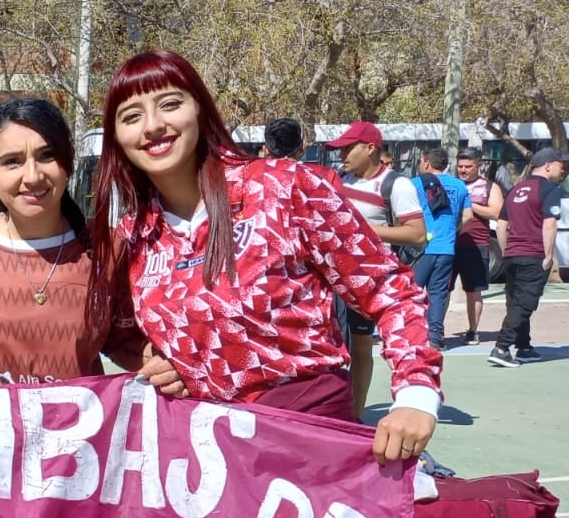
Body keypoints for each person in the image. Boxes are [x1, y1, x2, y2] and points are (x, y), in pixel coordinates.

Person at [87, 49, 441, 465]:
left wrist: (416, 394)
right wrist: (154, 359)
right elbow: (117, 333)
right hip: (204, 459)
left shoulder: (284, 188)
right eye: (131, 116)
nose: (153, 126)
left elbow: (389, 289)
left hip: (307, 443)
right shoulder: (132, 237)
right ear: (117, 138)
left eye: (169, 103)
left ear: (200, 110)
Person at [0, 97, 176, 391]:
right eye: (12, 161)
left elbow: (122, 341)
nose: (32, 176)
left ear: (69, 162)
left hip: (82, 431)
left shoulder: (107, 248)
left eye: (46, 156)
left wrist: (167, 364)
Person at [325, 121, 426, 420]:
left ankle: (355, 415)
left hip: (367, 281)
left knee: (359, 348)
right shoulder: (339, 181)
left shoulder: (397, 184)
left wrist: (363, 229)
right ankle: (330, 412)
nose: (341, 155)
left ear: (370, 149)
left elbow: (417, 234)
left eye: (347, 148)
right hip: (331, 277)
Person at [488, 147, 564, 368]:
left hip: (513, 254)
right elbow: (550, 223)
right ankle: (502, 347)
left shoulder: (515, 189)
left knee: (515, 301)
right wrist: (548, 255)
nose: (563, 170)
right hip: (534, 254)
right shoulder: (549, 189)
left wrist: (505, 251)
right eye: (560, 165)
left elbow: (502, 224)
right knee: (525, 302)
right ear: (548, 166)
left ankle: (524, 346)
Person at [412, 147, 473, 349]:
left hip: (421, 248)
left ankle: (411, 333)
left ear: (427, 163)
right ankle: (435, 337)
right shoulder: (459, 186)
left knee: (412, 293)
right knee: (438, 294)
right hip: (447, 247)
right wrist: (451, 230)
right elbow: (468, 215)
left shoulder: (415, 184)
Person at [453, 147, 505, 345]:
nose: (463, 170)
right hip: (449, 245)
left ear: (479, 165)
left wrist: (468, 203)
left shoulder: (489, 187)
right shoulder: (452, 184)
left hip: (477, 245)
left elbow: (495, 213)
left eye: (468, 166)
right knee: (441, 291)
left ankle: (473, 330)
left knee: (473, 291)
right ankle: (436, 332)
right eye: (460, 167)